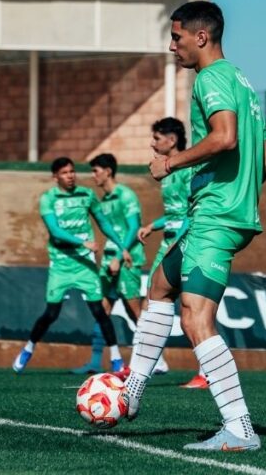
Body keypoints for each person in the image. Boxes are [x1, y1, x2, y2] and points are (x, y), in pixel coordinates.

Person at [122, 1, 266, 452]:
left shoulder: (212, 78)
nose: (172, 47)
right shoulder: (245, 83)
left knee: (196, 317)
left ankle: (240, 428)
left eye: (177, 38)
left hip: (216, 217)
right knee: (159, 288)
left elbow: (224, 138)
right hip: (217, 212)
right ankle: (131, 392)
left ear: (201, 37)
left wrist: (170, 163)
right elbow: (265, 161)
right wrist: (237, 193)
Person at [12, 157, 131, 374]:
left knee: (99, 311)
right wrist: (82, 242)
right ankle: (28, 348)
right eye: (65, 173)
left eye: (72, 171)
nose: (70, 175)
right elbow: (55, 231)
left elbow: (103, 223)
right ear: (55, 176)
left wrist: (122, 246)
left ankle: (116, 359)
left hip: (85, 265)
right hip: (61, 264)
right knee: (51, 313)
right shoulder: (48, 199)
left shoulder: (87, 195)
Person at [72, 153, 169, 376]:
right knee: (102, 309)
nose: (93, 175)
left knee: (134, 310)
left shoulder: (126, 196)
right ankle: (95, 361)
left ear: (108, 171)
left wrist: (118, 256)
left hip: (127, 260)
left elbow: (134, 226)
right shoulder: (103, 200)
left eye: (96, 170)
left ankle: (159, 359)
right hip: (110, 260)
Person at [136, 118, 206, 389]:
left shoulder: (188, 169)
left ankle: (206, 371)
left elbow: (192, 211)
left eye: (157, 138)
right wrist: (153, 225)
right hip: (167, 243)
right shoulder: (166, 172)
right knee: (150, 302)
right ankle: (146, 366)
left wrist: (181, 235)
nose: (152, 143)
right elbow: (175, 212)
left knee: (195, 309)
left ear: (172, 140)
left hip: (186, 242)